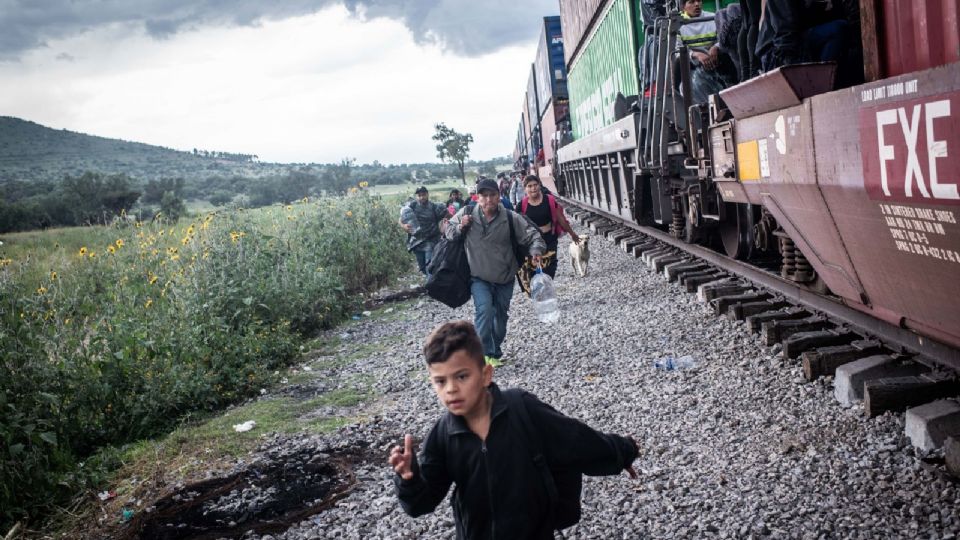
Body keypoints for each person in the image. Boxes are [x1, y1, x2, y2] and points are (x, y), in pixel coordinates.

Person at [389, 320, 640, 539]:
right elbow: (422, 503)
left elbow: (577, 439)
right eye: (440, 381)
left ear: (486, 374)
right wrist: (409, 480)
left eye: (461, 376)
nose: (451, 389)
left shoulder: (522, 409)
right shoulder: (444, 435)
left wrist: (622, 451)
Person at [445, 178, 545, 365]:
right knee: (484, 311)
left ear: (499, 196)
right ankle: (483, 355)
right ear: (477, 197)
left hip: (505, 277)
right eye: (484, 196)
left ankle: (494, 350)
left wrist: (536, 251)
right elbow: (447, 231)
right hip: (478, 277)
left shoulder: (509, 217)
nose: (488, 199)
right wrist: (461, 226)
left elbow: (533, 235)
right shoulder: (467, 213)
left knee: (500, 317)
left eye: (492, 195)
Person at [756, 0, 862, 88]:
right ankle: (820, 85)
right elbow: (784, 35)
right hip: (776, 54)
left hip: (800, 43)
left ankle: (825, 81)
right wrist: (798, 71)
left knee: (841, 31)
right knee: (838, 29)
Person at [518, 175, 579, 280]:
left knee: (549, 270)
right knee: (534, 272)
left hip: (549, 240)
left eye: (535, 185)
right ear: (525, 189)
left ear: (540, 185)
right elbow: (517, 226)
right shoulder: (521, 205)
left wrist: (572, 234)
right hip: (531, 243)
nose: (533, 188)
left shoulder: (549, 200)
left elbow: (561, 219)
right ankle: (538, 294)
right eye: (529, 186)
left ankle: (546, 290)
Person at [678, 0, 738, 103]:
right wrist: (696, 54)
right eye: (691, 2)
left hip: (718, 63)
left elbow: (724, 37)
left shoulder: (712, 17)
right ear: (683, 7)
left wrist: (716, 47)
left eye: (699, 1)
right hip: (694, 66)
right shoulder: (678, 24)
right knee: (686, 86)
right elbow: (676, 49)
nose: (697, 4)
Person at [400, 186, 449, 278]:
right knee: (422, 267)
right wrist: (404, 226)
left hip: (431, 241)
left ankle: (431, 288)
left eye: (424, 195)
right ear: (416, 196)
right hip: (417, 242)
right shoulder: (412, 206)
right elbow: (401, 219)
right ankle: (434, 281)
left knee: (429, 266)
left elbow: (447, 215)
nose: (422, 197)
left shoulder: (434, 207)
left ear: (427, 194)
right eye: (419, 195)